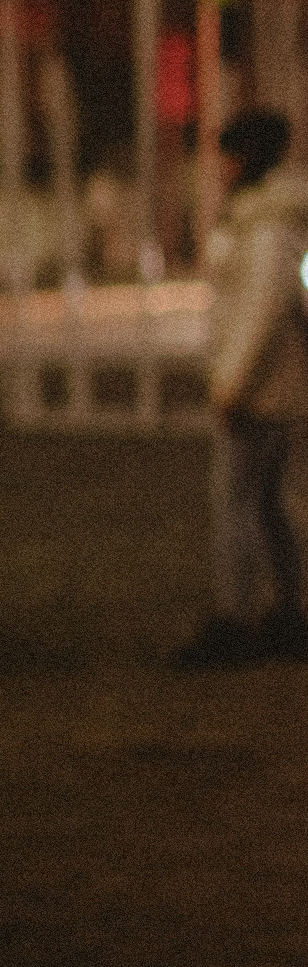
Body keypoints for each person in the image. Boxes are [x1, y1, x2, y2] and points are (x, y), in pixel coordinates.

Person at [173, 106, 308, 669]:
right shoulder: (263, 216)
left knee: (237, 503)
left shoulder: (268, 225)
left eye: (227, 154)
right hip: (274, 386)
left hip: (259, 391)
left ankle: (237, 617)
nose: (219, 166)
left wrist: (231, 385)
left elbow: (265, 309)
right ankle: (289, 611)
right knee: (272, 505)